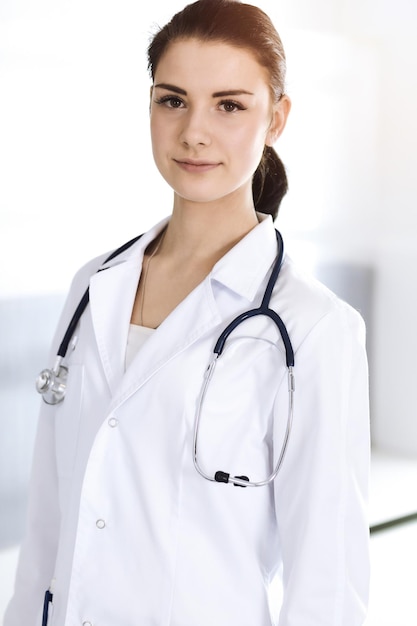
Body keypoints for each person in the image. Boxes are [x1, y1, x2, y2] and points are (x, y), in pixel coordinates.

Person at [4, 0, 370, 624]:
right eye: (172, 100)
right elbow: (48, 524)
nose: (194, 131)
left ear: (276, 119)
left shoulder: (312, 328)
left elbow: (327, 586)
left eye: (229, 105)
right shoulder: (95, 287)